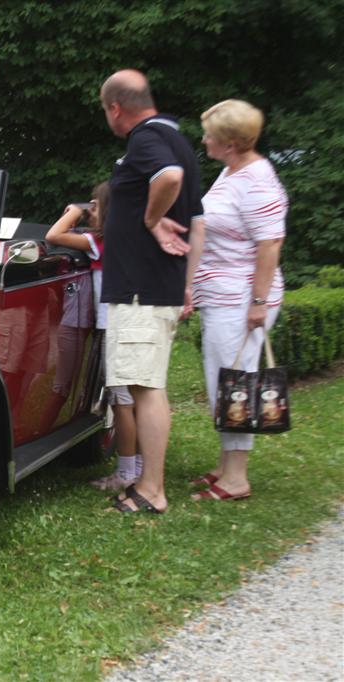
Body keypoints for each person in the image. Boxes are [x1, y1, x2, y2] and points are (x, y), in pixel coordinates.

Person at [98, 69, 205, 514]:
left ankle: (152, 490)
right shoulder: (179, 138)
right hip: (159, 287)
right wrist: (186, 285)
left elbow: (169, 178)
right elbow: (198, 224)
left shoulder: (146, 140)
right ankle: (148, 481)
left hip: (140, 290)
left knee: (145, 387)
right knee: (148, 384)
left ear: (115, 108)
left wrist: (147, 219)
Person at [188, 99, 286, 502]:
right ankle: (225, 465)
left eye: (210, 134)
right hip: (225, 296)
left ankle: (236, 479)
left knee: (236, 384)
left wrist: (258, 302)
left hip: (241, 299)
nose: (205, 139)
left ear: (229, 142)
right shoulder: (233, 171)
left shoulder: (258, 180)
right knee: (225, 381)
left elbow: (270, 245)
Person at [46, 182, 139, 491]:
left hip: (116, 325)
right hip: (133, 322)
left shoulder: (101, 240)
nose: (89, 210)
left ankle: (128, 471)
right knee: (135, 397)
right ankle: (138, 463)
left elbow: (53, 235)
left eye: (95, 206)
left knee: (121, 398)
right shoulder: (130, 238)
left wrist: (74, 212)